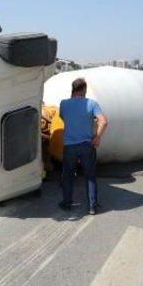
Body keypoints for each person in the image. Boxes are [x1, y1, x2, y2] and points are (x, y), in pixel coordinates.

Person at [58, 78, 108, 215]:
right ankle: (92, 207)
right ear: (84, 90)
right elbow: (103, 121)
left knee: (67, 175)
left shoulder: (64, 103)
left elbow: (63, 117)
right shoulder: (92, 103)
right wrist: (97, 137)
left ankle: (67, 203)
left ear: (72, 90)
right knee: (90, 176)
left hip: (69, 146)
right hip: (87, 145)